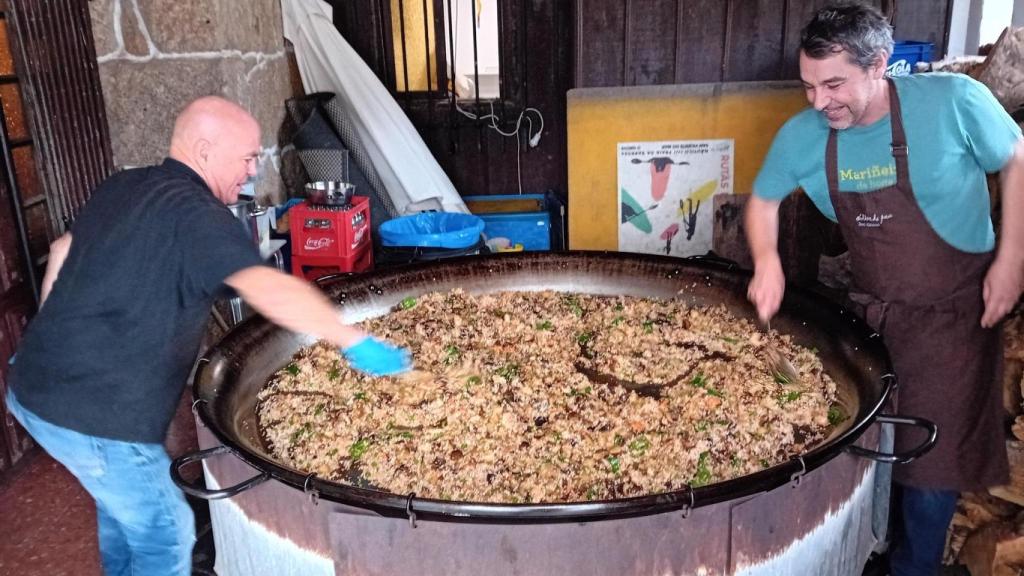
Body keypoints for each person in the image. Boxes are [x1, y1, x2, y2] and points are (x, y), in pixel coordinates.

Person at [4, 96, 412, 575]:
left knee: (121, 512)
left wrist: (62, 335)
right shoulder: (198, 214)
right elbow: (267, 289)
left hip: (32, 387)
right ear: (203, 149)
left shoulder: (125, 184)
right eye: (246, 158)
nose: (253, 171)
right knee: (165, 531)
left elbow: (61, 249)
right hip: (94, 416)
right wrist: (352, 340)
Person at [745, 3, 1023, 575]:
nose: (819, 102)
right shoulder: (804, 135)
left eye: (834, 84)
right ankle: (860, 554)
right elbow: (763, 200)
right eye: (808, 86)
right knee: (860, 451)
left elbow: (1018, 157)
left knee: (932, 466)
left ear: (881, 66)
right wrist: (767, 260)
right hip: (872, 318)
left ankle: (913, 568)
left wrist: (1011, 259)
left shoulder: (953, 102)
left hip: (953, 319)